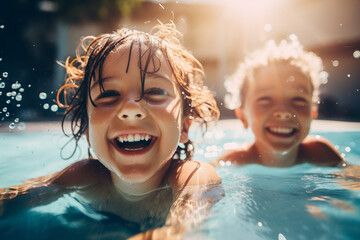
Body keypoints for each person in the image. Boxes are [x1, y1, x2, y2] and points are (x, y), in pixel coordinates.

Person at [0, 23, 222, 239]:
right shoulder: (84, 175)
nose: (131, 109)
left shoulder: (194, 177)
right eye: (108, 94)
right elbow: (13, 199)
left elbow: (186, 230)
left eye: (155, 91)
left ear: (184, 125)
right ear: (86, 128)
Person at [212, 37, 345, 168]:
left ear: (313, 112)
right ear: (243, 116)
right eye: (265, 100)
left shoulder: (322, 154)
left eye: (298, 100)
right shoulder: (233, 161)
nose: (283, 112)